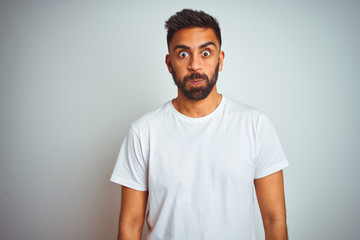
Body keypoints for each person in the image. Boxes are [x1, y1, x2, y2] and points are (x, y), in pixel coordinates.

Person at [111, 8, 289, 240]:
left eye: (205, 53)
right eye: (183, 54)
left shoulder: (255, 125)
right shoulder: (143, 131)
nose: (195, 65)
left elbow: (274, 220)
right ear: (169, 63)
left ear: (220, 60)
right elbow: (131, 226)